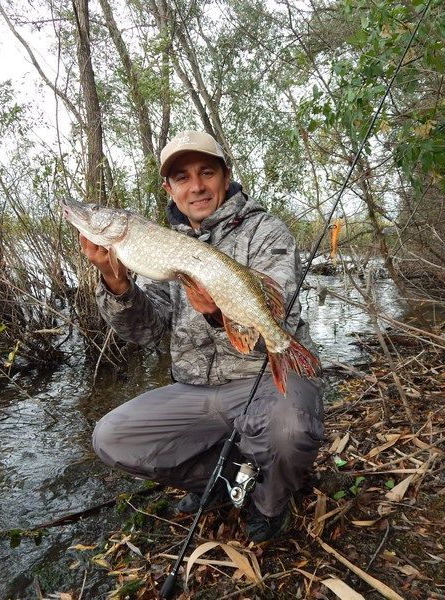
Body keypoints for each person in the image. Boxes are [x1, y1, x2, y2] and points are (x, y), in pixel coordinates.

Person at [81, 130, 324, 542]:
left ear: (225, 177)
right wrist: (116, 284)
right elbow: (147, 330)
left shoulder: (265, 230)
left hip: (262, 378)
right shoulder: (160, 245)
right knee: (111, 437)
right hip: (194, 388)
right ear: (169, 188)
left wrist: (218, 314)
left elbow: (280, 305)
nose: (196, 186)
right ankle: (219, 480)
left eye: (206, 172)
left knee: (290, 429)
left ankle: (269, 502)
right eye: (182, 178)